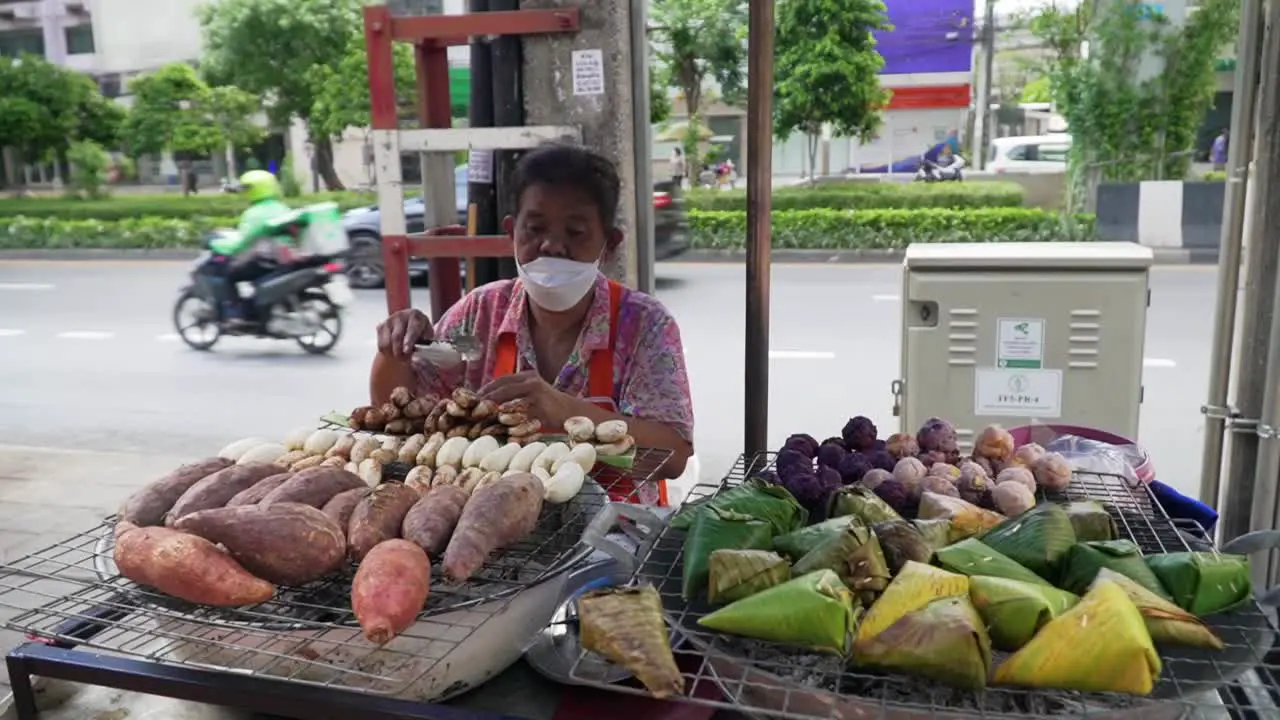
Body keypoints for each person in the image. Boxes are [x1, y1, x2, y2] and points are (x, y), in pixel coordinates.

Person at [372, 144, 694, 504]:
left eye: (575, 232)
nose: (552, 246)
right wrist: (394, 351)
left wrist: (564, 409)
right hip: (485, 521)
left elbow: (673, 456)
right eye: (535, 228)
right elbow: (398, 415)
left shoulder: (644, 326)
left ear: (610, 244)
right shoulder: (479, 313)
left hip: (615, 534)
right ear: (512, 231)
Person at [208, 170, 294, 321]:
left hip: (264, 260)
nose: (244, 193)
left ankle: (234, 316)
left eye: (247, 189)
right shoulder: (282, 208)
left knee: (229, 274)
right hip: (284, 259)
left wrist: (219, 245)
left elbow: (241, 244)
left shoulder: (253, 214)